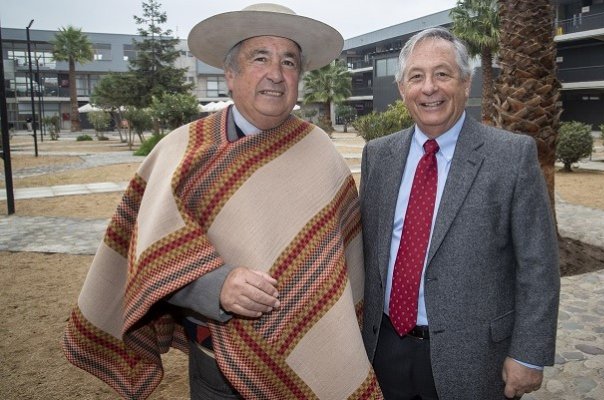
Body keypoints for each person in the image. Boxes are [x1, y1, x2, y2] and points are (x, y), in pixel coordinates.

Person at [63, 4, 381, 399]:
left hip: (313, 362)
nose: (276, 75)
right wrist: (216, 287)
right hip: (219, 371)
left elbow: (347, 263)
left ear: (300, 77)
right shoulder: (180, 153)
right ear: (230, 74)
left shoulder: (322, 154)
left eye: (289, 62)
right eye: (259, 58)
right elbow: (147, 260)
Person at [359, 27, 560, 399]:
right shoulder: (378, 156)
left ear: (466, 83)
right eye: (416, 77)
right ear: (402, 89)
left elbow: (538, 265)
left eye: (443, 74)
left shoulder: (510, 157)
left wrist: (529, 354)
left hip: (475, 358)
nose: (429, 87)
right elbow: (368, 251)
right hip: (384, 348)